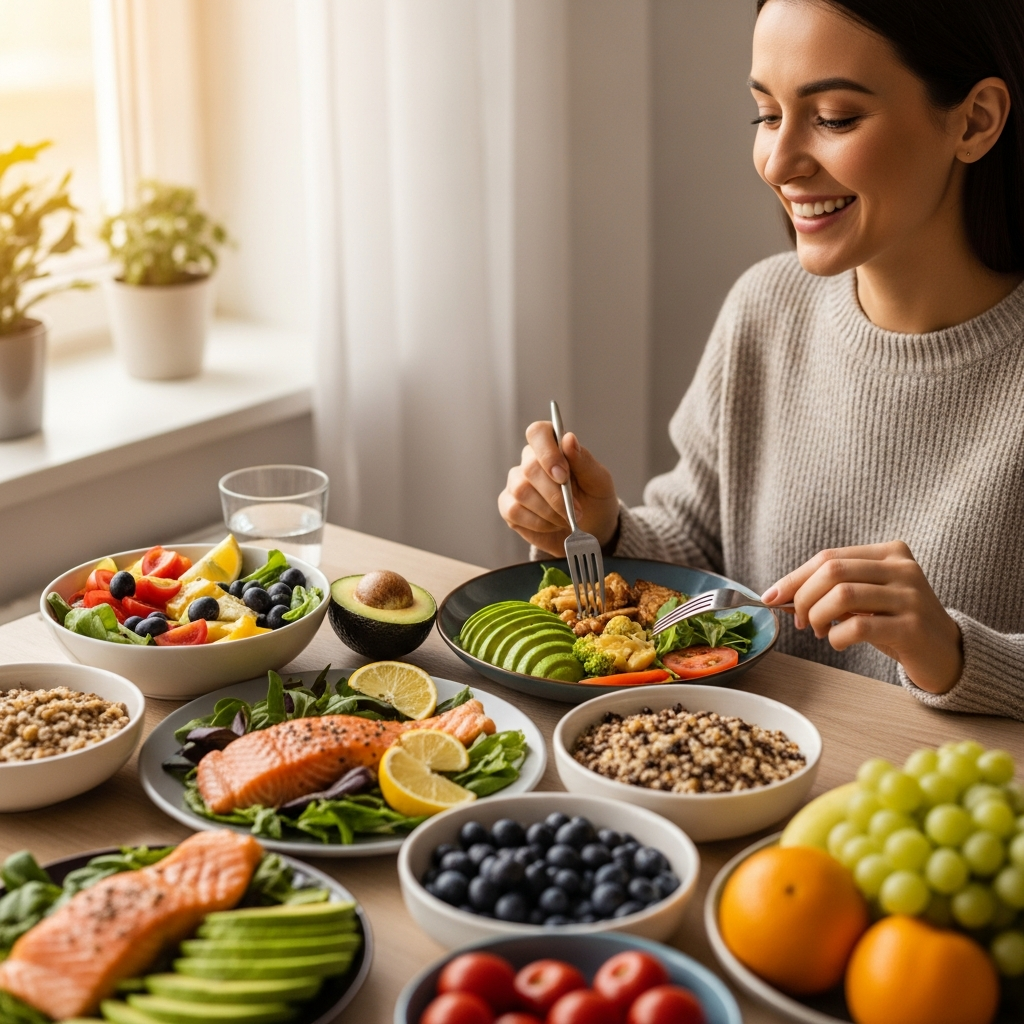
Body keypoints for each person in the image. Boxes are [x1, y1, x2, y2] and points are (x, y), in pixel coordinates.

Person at [498, 0, 1024, 721]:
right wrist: (603, 532)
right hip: (738, 785)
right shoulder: (765, 307)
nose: (778, 163)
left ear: (975, 121)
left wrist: (957, 652)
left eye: (834, 117)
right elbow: (702, 555)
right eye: (767, 115)